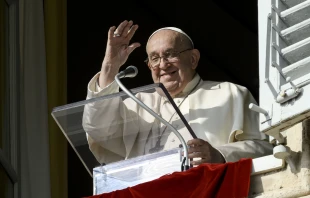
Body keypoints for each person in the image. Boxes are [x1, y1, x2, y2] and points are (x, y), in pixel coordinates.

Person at [82, 20, 273, 165]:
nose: (163, 65)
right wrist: (109, 67)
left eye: (170, 54)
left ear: (193, 59)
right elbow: (99, 131)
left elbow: (265, 148)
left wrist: (220, 155)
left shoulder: (231, 94)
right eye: (154, 59)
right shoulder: (136, 103)